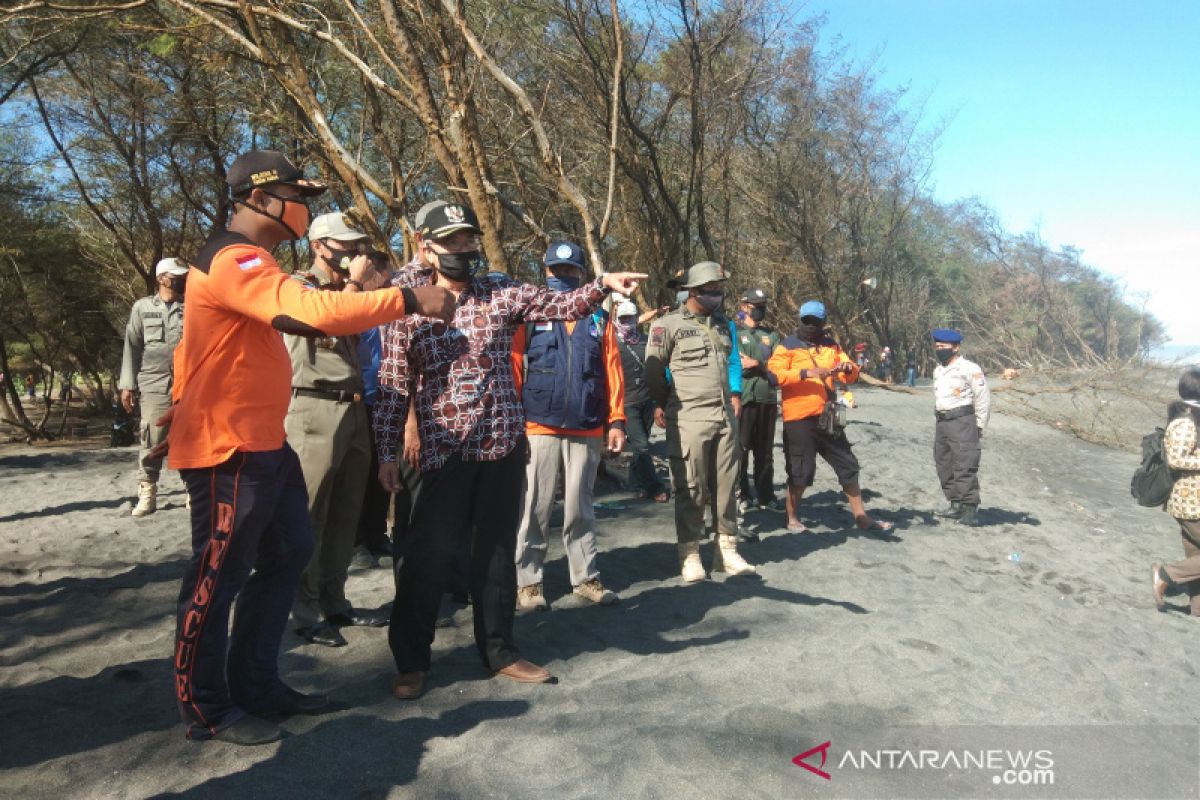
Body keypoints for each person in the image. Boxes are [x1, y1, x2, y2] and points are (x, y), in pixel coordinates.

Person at [165, 150, 454, 745]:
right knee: (215, 578)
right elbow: (306, 313)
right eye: (299, 196)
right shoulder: (232, 256)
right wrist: (405, 300)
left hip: (266, 445)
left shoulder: (257, 261)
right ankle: (208, 709)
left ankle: (256, 683)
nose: (304, 208)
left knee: (290, 551)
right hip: (227, 450)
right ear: (264, 199)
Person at [374, 200, 646, 700]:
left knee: (498, 554)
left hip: (501, 444)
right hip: (442, 449)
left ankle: (499, 650)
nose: (463, 249)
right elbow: (393, 379)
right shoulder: (404, 298)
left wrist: (602, 286)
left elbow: (559, 306)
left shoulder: (499, 289)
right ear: (424, 244)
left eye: (468, 239)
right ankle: (412, 661)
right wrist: (387, 453)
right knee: (427, 558)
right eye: (451, 240)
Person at [285, 212, 391, 647]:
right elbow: (328, 319)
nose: (354, 253)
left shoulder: (345, 292)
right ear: (319, 246)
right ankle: (303, 612)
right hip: (313, 406)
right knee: (310, 514)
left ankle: (335, 603)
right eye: (345, 245)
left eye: (358, 245)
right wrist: (353, 287)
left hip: (354, 407)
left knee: (346, 515)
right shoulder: (297, 287)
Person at [511, 241, 625, 610]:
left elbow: (613, 372)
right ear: (544, 271)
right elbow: (514, 367)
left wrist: (617, 421)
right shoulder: (528, 316)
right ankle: (528, 582)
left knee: (581, 507)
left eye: (570, 271)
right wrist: (514, 420)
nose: (562, 277)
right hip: (537, 423)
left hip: (588, 424)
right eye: (555, 271)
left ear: (580, 274)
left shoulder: (598, 318)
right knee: (534, 506)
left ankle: (586, 578)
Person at [644, 261, 755, 583]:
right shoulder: (667, 325)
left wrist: (734, 396)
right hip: (689, 418)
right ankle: (690, 553)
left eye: (719, 291)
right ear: (693, 291)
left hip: (724, 418)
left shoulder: (722, 324)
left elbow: (732, 361)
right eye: (710, 291)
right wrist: (664, 403)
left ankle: (726, 550)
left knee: (727, 487)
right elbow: (653, 371)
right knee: (690, 487)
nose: (717, 296)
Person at [767, 301, 892, 533]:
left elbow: (851, 374)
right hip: (798, 418)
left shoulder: (831, 346)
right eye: (807, 321)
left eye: (816, 321)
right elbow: (774, 374)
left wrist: (847, 368)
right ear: (800, 320)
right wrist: (806, 373)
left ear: (823, 323)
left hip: (828, 416)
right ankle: (791, 517)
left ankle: (861, 516)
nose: (811, 325)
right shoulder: (786, 346)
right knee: (800, 471)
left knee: (848, 464)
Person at [118, 257, 187, 517]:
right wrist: (127, 385)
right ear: (161, 278)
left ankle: (192, 489)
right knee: (152, 437)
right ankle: (147, 491)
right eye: (175, 276)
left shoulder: (192, 307)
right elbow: (132, 347)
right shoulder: (142, 307)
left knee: (189, 436)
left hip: (187, 384)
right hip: (153, 383)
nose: (180, 280)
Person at [931, 328, 991, 526]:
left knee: (964, 463)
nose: (939, 349)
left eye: (944, 346)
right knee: (943, 462)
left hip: (962, 420)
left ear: (955, 347)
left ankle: (970, 508)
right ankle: (954, 504)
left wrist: (980, 425)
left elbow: (982, 397)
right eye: (937, 346)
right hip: (942, 421)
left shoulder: (969, 368)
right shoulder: (938, 370)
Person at [1151, 371, 1200, 615]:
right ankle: (1166, 574)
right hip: (1190, 502)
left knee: (1196, 555)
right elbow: (1176, 459)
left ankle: (1198, 607)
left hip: (1192, 501)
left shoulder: (1189, 417)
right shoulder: (1185, 422)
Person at [614, 299, 670, 503]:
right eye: (623, 319)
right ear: (617, 320)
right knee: (643, 446)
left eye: (631, 318)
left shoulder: (647, 340)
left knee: (640, 448)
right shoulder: (612, 343)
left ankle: (636, 482)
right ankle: (656, 487)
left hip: (647, 400)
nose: (628, 322)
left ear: (637, 319)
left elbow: (657, 369)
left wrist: (658, 403)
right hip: (626, 404)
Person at [734, 287, 782, 516]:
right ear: (744, 306)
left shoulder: (771, 335)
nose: (760, 310)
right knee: (740, 449)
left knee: (765, 451)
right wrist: (760, 364)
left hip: (768, 399)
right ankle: (742, 494)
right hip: (743, 398)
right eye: (756, 306)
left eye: (763, 306)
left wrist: (758, 365)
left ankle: (766, 495)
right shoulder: (733, 332)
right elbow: (737, 364)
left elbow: (777, 368)